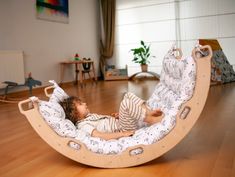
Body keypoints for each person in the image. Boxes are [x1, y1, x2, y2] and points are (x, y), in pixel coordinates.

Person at [60, 92, 164, 140]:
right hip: (123, 128)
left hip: (120, 123)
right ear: (74, 113)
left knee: (127, 94)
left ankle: (148, 112)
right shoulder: (83, 125)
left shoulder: (88, 117)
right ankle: (150, 119)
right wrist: (122, 134)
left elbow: (105, 123)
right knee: (126, 103)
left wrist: (118, 116)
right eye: (81, 104)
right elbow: (100, 135)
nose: (85, 104)